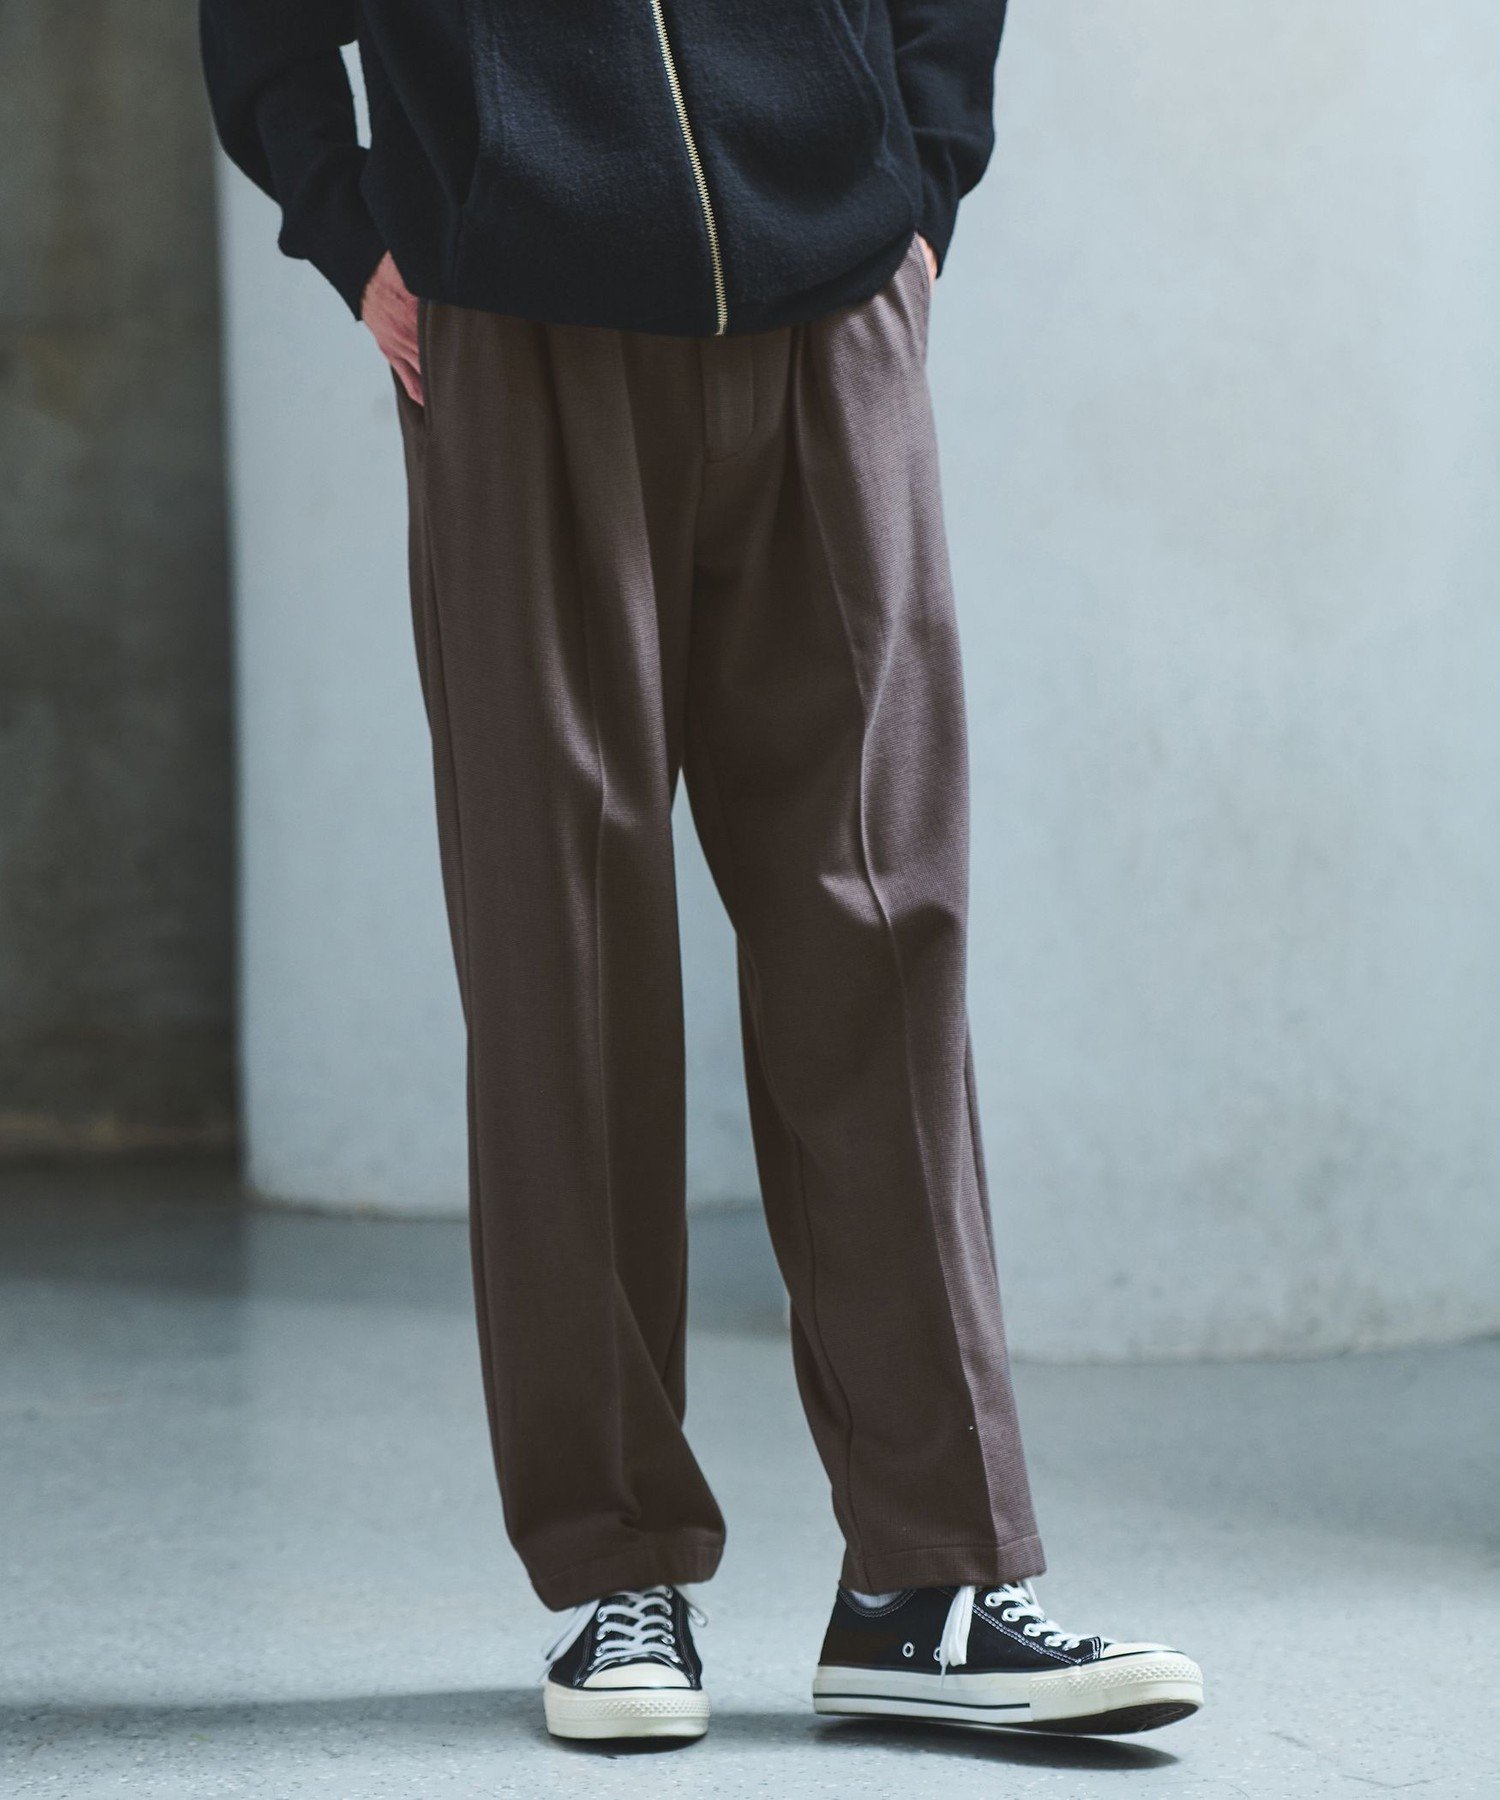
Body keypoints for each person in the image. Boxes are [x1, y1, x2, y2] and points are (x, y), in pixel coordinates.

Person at [201, 0, 1204, 1747]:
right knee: (563, 943)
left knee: (884, 929)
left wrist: (922, 183)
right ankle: (616, 1572)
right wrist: (353, 227)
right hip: (523, 313)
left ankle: (933, 1578)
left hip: (833, 288)